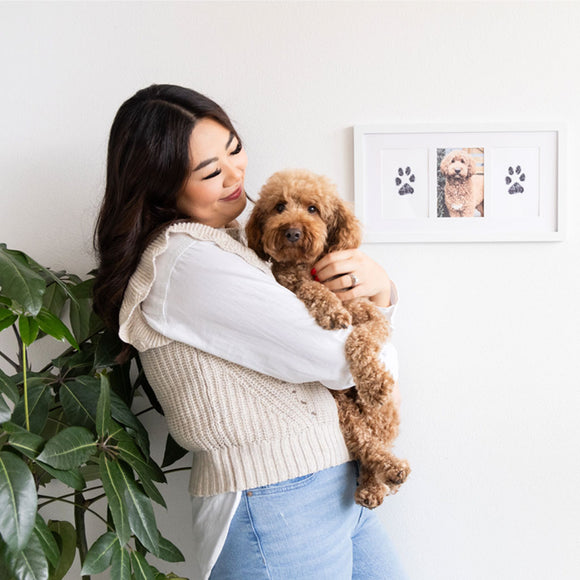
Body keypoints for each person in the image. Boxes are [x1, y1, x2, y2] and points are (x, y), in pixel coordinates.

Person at [93, 84, 406, 580]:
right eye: (210, 171)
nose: (236, 175)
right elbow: (344, 362)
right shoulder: (186, 260)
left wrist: (380, 290)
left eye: (234, 150)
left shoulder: (235, 246)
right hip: (276, 499)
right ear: (160, 186)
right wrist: (382, 302)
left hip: (333, 480)